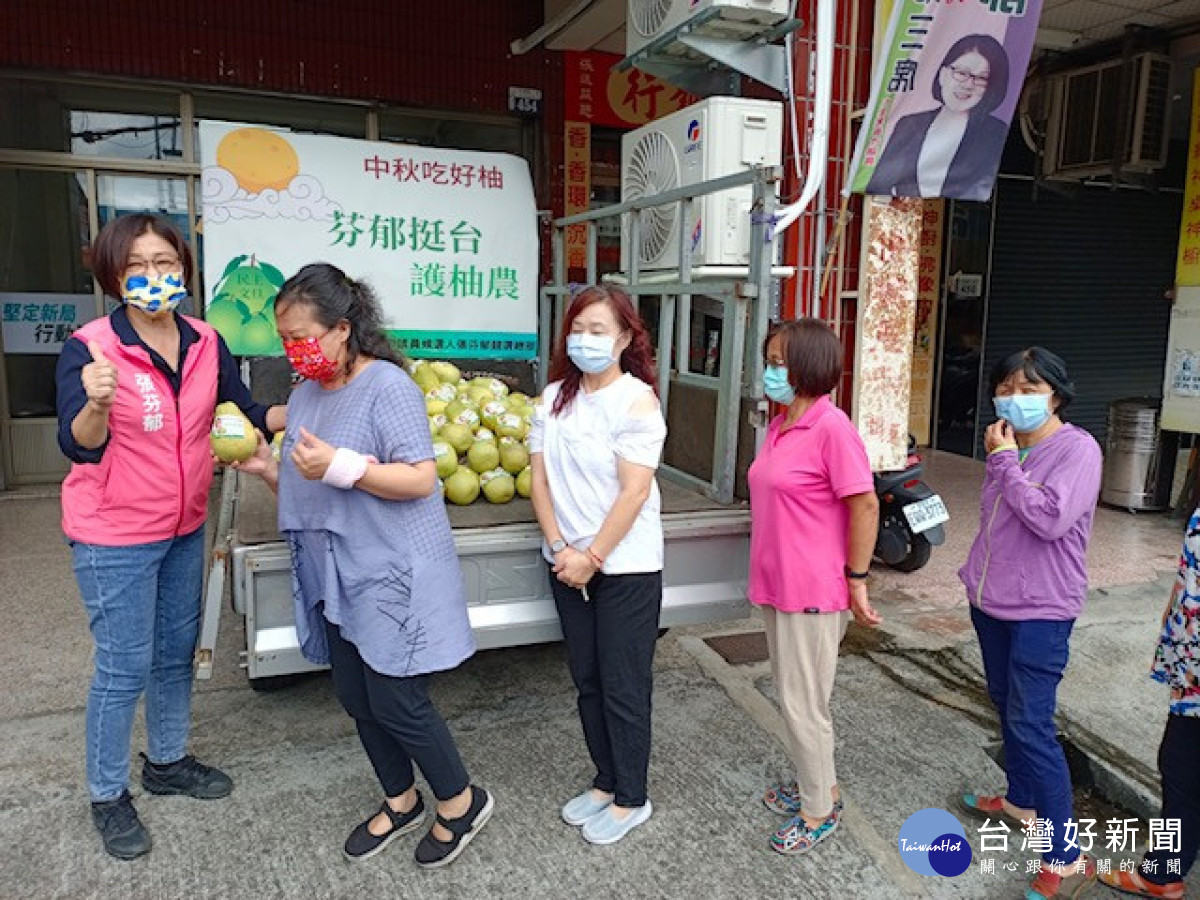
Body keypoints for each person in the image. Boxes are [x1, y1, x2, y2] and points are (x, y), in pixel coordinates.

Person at [233, 263, 492, 868]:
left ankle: (461, 802)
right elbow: (311, 490)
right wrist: (271, 472)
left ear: (343, 329)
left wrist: (346, 467)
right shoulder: (303, 396)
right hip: (337, 574)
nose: (294, 351)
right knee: (355, 693)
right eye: (285, 339)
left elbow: (422, 477)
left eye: (304, 336)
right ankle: (400, 799)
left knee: (398, 697)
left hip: (392, 569)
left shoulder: (389, 388)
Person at [56, 213, 286, 860]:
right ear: (112, 275)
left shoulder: (207, 340)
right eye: (137, 266)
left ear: (184, 268)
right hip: (113, 534)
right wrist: (97, 403)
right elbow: (76, 445)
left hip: (186, 523)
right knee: (123, 667)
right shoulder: (92, 347)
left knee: (174, 653)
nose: (155, 277)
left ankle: (167, 761)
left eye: (166, 263)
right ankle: (107, 794)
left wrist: (301, 407)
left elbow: (239, 406)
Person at [957, 348, 1103, 898]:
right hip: (993, 603)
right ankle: (1021, 800)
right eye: (1006, 388)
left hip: (1042, 610)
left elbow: (1048, 518)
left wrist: (1003, 462)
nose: (1013, 399)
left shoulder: (1077, 450)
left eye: (1027, 389)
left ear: (1056, 395)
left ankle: (1066, 856)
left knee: (1032, 724)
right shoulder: (1011, 448)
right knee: (1005, 705)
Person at [528, 285, 667, 846]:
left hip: (624, 567)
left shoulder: (637, 401)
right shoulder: (553, 397)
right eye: (578, 328)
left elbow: (633, 493)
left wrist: (592, 556)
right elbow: (539, 478)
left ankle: (633, 795)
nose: (586, 339)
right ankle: (606, 781)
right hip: (565, 561)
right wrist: (560, 546)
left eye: (599, 330)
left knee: (623, 685)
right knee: (587, 680)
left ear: (627, 337)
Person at [747, 317, 881, 855]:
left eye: (780, 361)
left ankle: (818, 811)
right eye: (770, 359)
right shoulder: (783, 424)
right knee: (794, 697)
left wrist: (858, 580)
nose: (771, 370)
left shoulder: (831, 427)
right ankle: (818, 785)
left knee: (804, 705)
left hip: (813, 589)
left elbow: (865, 503)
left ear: (809, 366)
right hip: (780, 584)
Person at [1099, 512, 1200, 899]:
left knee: (1181, 767)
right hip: (1190, 668)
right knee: (1180, 765)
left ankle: (1162, 872)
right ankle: (1164, 870)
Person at [865, 34, 1011, 201]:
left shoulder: (995, 134)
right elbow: (879, 182)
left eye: (981, 78)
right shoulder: (910, 124)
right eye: (961, 73)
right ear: (943, 74)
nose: (968, 84)